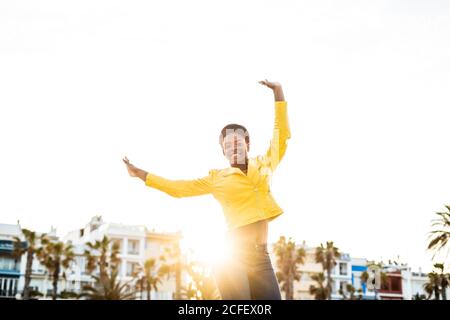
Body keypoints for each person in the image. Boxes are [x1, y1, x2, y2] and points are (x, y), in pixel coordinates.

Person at [123, 79, 291, 300]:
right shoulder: (217, 179)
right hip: (233, 258)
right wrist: (143, 175)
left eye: (238, 141)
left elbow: (282, 135)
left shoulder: (265, 163)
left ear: (247, 144)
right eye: (227, 145)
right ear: (224, 152)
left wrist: (278, 92)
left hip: (262, 258)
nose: (233, 146)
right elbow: (179, 189)